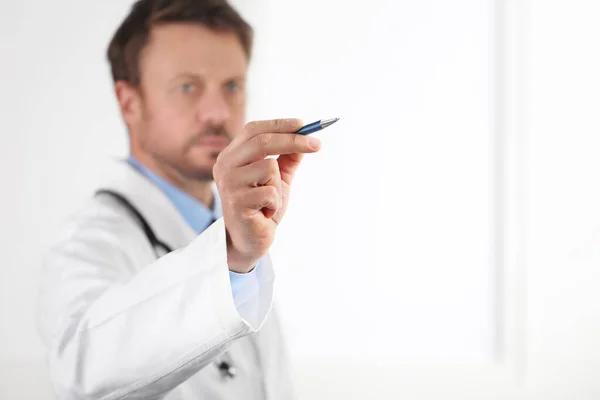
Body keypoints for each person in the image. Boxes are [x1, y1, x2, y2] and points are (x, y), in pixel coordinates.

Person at [35, 0, 322, 398]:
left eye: (232, 86)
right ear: (129, 102)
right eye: (188, 86)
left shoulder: (241, 229)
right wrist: (231, 258)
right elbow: (82, 368)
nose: (217, 112)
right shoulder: (88, 243)